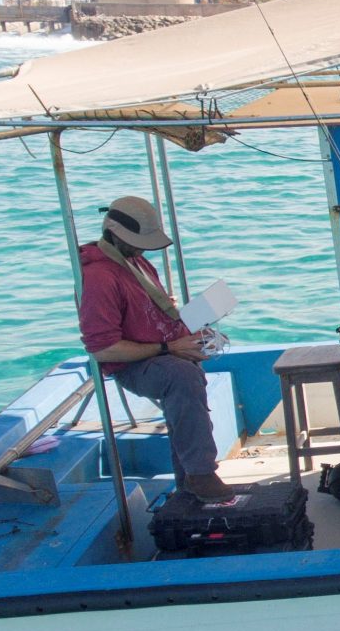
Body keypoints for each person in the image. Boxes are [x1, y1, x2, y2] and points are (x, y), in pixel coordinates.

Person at [77, 196, 230, 500]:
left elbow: (155, 316)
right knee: (182, 377)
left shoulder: (137, 262)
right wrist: (169, 347)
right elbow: (104, 350)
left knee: (219, 305)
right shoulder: (98, 278)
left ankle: (188, 480)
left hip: (163, 345)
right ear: (114, 233)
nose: (142, 248)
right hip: (133, 362)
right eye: (137, 242)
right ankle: (200, 474)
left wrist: (190, 330)